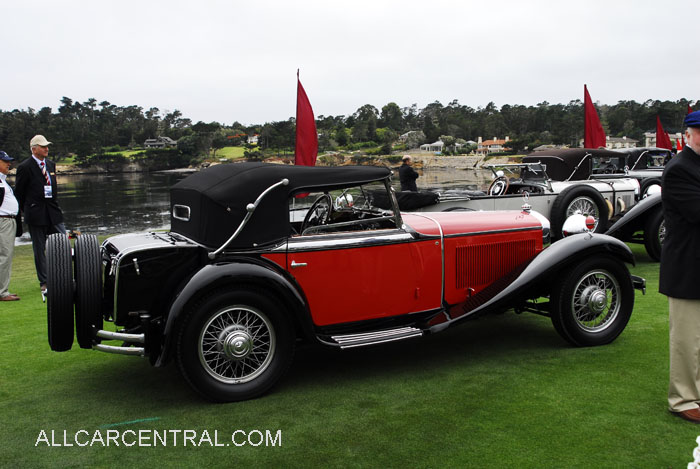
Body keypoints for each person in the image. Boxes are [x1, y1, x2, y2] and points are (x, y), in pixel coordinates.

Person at [660, 110, 700, 423]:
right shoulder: (679, 169)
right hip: (689, 264)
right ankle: (683, 399)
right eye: (699, 131)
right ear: (687, 135)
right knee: (687, 338)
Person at [14, 135, 66, 295]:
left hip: (53, 212)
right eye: (43, 146)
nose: (46, 149)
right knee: (39, 249)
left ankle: (62, 277)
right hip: (36, 214)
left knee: (62, 243)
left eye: (47, 146)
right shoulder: (25, 167)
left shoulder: (50, 164)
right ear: (34, 149)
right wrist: (25, 210)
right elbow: (19, 193)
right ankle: (44, 281)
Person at [0, 151, 21, 301]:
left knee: (5, 256)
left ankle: (3, 290)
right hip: (3, 222)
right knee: (4, 256)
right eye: (5, 161)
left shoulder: (3, 180)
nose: (9, 164)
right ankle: (2, 292)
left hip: (8, 221)